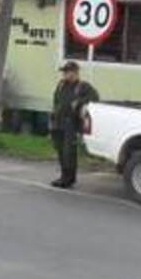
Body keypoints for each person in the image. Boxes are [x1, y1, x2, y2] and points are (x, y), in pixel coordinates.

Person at [50, 60, 100, 189]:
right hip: (58, 121)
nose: (65, 74)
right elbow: (56, 100)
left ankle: (69, 178)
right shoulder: (61, 85)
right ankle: (63, 176)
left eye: (67, 72)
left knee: (69, 152)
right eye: (64, 72)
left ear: (75, 72)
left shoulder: (83, 86)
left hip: (71, 123)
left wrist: (79, 101)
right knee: (60, 150)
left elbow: (95, 97)